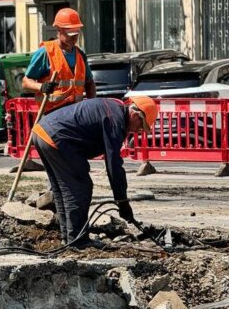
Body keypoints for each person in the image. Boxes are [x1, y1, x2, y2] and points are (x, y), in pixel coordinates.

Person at [30, 96, 159, 249]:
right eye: (140, 126)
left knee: (63, 189)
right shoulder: (115, 120)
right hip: (58, 138)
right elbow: (114, 164)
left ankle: (69, 238)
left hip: (42, 132)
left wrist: (121, 200)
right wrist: (122, 201)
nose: (138, 131)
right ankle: (78, 241)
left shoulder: (114, 110)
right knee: (80, 187)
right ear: (135, 114)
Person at [21, 7, 96, 111]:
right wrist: (42, 87)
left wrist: (92, 106)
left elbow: (89, 82)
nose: (74, 37)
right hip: (52, 115)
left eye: (76, 33)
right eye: (70, 34)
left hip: (75, 113)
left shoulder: (80, 54)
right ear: (59, 30)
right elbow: (25, 82)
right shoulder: (45, 52)